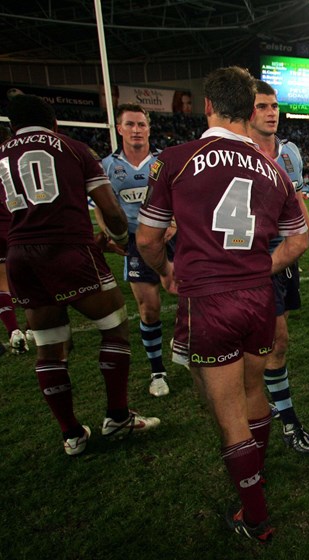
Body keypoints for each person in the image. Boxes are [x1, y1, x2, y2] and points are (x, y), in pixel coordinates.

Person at [136, 66, 308, 542]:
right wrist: (258, 270)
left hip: (208, 298)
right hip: (258, 297)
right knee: (255, 390)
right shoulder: (275, 169)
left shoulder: (176, 158)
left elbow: (148, 238)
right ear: (250, 109)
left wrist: (167, 271)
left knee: (225, 408)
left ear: (208, 105)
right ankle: (258, 471)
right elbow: (295, 244)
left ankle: (255, 517)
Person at [3, 94, 160, 456]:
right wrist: (118, 239)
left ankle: (72, 434)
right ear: (55, 123)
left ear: (12, 127)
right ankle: (118, 417)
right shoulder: (73, 149)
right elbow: (111, 209)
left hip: (20, 256)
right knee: (115, 325)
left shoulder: (1, 154)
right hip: (67, 249)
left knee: (49, 346)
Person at [248, 80, 309, 455]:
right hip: (256, 260)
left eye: (274, 105)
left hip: (286, 257)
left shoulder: (290, 153)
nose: (272, 112)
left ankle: (271, 400)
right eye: (263, 106)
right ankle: (288, 422)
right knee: (276, 344)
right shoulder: (237, 151)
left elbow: (297, 202)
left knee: (276, 343)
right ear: (248, 111)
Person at [99, 104, 174, 397]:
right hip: (133, 241)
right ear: (120, 129)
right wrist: (109, 234)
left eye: (141, 125)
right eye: (130, 124)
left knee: (188, 296)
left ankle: (181, 339)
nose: (136, 130)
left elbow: (178, 198)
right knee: (150, 308)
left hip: (168, 238)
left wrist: (176, 223)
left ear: (149, 129)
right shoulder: (107, 166)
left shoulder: (162, 162)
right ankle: (158, 371)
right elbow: (102, 206)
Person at [0, 202, 28, 356]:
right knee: (26, 277)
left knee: (2, 284)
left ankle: (14, 330)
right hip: (14, 229)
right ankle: (31, 328)